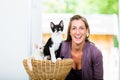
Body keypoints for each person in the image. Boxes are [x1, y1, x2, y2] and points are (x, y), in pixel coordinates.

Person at [60, 15, 103, 80]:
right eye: (74, 28)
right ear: (70, 32)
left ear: (87, 31)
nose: (77, 32)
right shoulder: (61, 48)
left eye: (81, 28)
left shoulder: (95, 53)